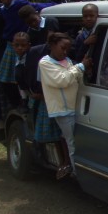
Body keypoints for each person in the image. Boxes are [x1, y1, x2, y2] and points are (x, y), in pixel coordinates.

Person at [39, 33, 92, 179]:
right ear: (52, 45)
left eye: (68, 49)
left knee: (74, 141)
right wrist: (80, 66)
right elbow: (62, 80)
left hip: (74, 107)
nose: (65, 52)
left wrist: (83, 70)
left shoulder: (66, 60)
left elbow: (75, 78)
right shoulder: (45, 63)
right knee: (72, 144)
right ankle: (76, 173)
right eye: (63, 48)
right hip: (63, 111)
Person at [0, 0, 52, 109]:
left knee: (23, 75)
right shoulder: (1, 9)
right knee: (8, 79)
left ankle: (24, 101)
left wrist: (54, 4)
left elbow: (36, 6)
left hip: (22, 43)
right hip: (12, 44)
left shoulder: (20, 5)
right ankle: (18, 103)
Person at [12, 32, 32, 112]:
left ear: (29, 45)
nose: (20, 48)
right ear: (13, 45)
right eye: (17, 45)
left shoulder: (32, 58)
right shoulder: (17, 57)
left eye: (23, 45)